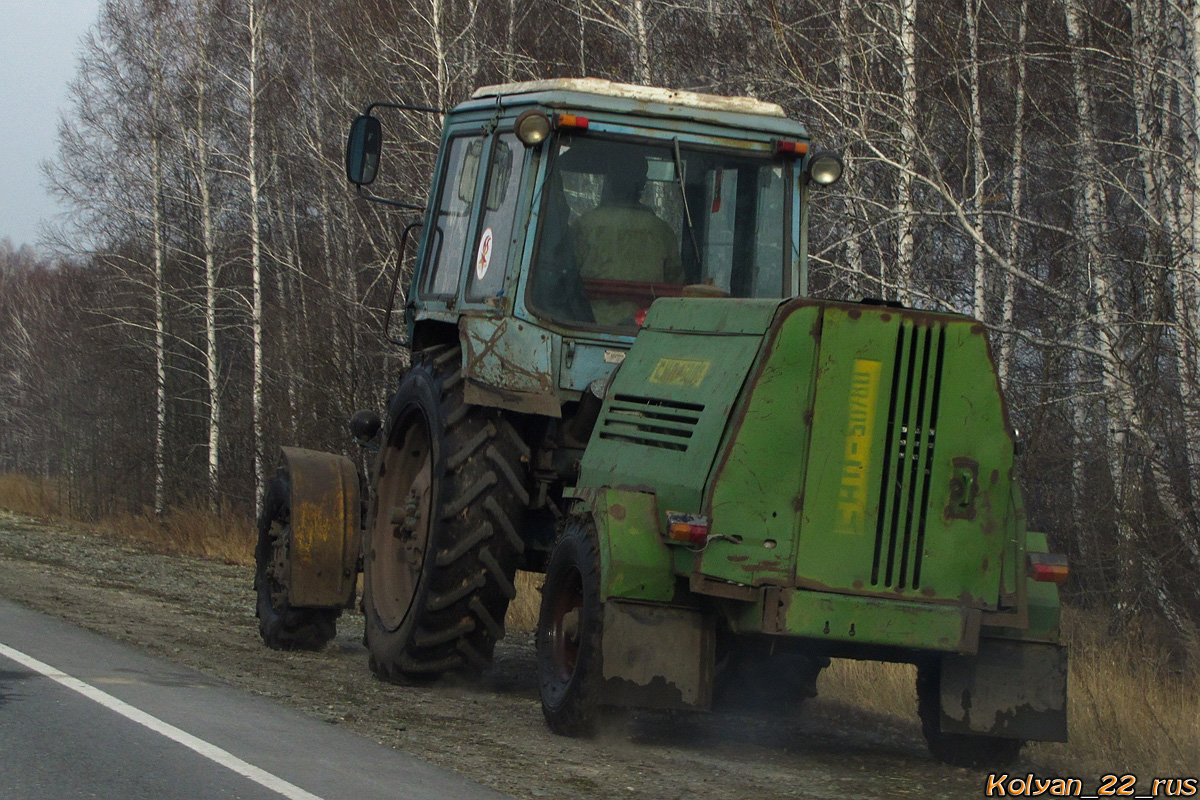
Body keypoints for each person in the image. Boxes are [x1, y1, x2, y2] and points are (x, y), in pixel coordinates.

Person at [573, 157, 684, 325]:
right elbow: (676, 287)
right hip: (647, 327)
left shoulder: (585, 225)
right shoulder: (662, 231)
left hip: (587, 325)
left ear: (610, 180)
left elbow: (565, 278)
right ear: (643, 183)